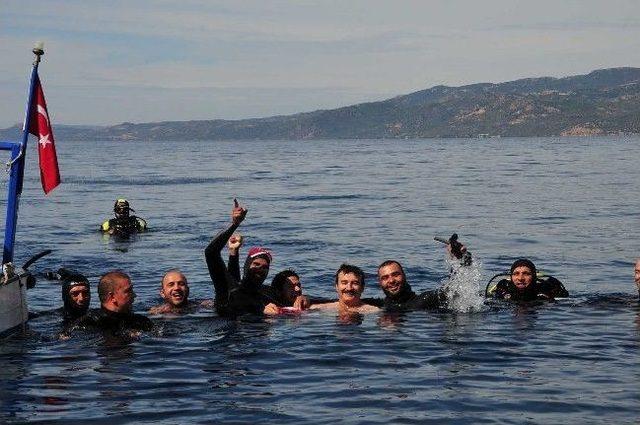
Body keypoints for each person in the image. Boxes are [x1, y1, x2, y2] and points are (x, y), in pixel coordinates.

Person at [204, 199, 280, 317]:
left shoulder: (266, 293)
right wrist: (235, 224)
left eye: (265, 267)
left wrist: (302, 299)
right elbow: (210, 253)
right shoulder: (227, 289)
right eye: (256, 264)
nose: (260, 269)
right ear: (246, 266)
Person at [69, 271, 153, 334]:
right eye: (128, 291)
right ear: (112, 297)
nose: (134, 295)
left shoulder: (142, 321)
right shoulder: (89, 323)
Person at [377, 260, 446, 311]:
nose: (391, 280)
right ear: (380, 283)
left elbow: (453, 289)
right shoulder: (377, 306)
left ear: (404, 276)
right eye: (385, 278)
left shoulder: (426, 300)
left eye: (395, 275)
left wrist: (456, 257)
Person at [310, 264, 380, 314]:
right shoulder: (319, 309)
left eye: (355, 283)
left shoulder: (373, 312)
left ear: (362, 288)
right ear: (336, 286)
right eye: (344, 283)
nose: (349, 288)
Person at [490, 258, 568, 302]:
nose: (520, 278)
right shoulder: (504, 288)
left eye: (526, 274)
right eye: (516, 274)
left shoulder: (546, 289)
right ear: (511, 277)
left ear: (533, 276)